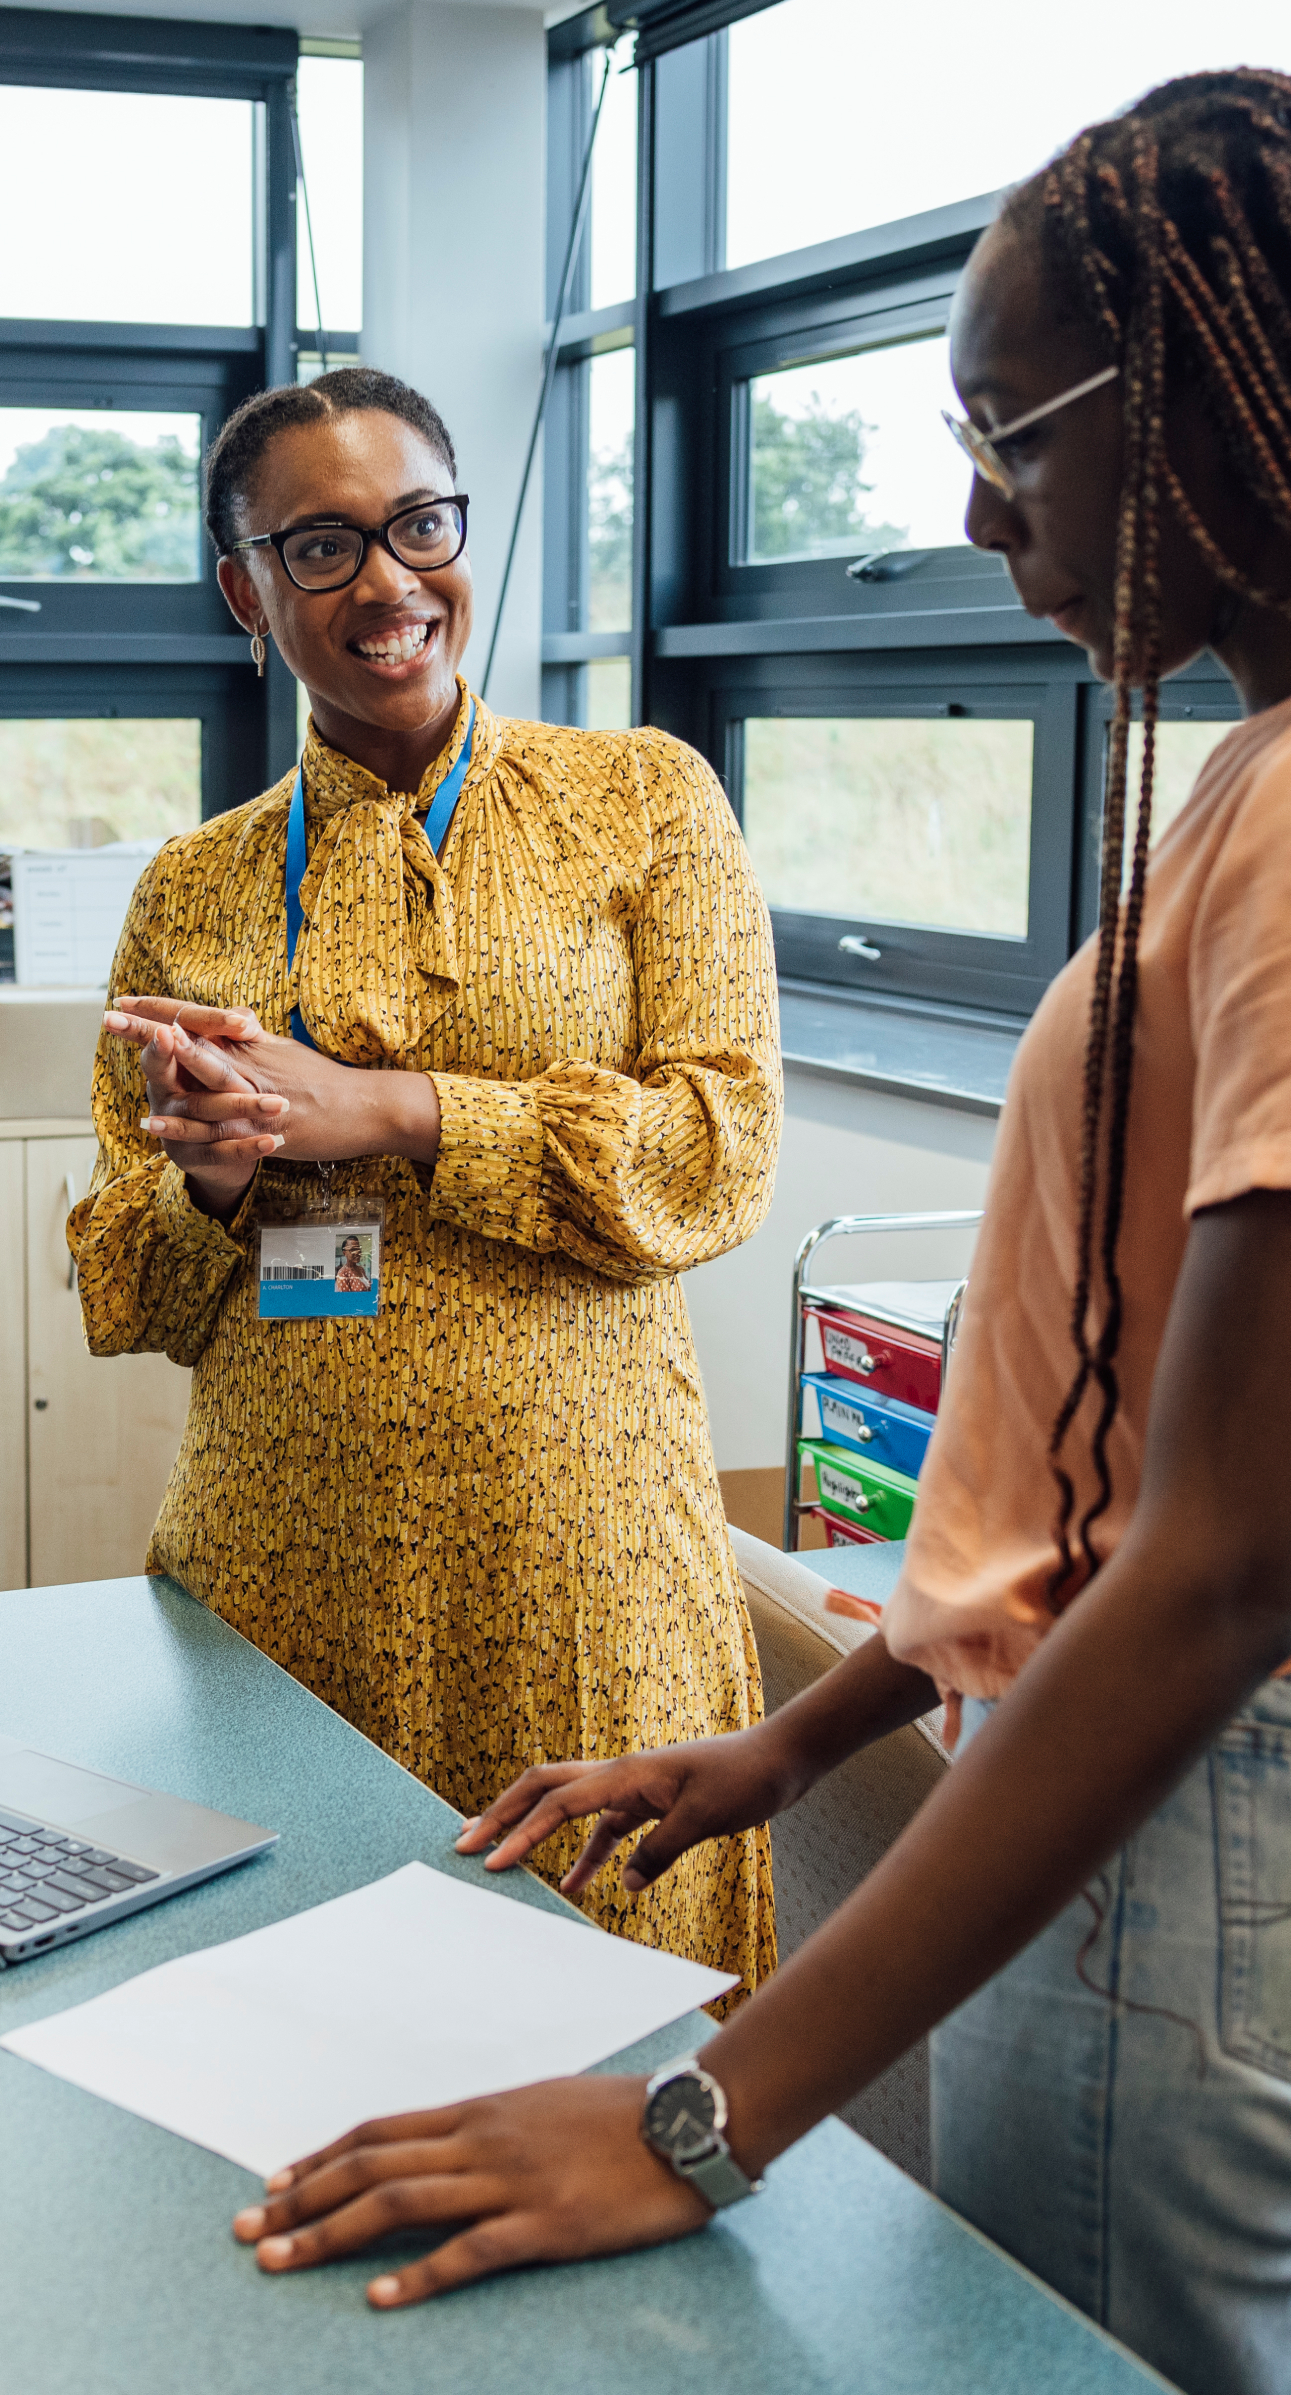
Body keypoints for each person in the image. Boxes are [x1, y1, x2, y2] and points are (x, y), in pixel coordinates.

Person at [227, 75, 1291, 2395]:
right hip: (1187, 1783)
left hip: (1218, 1803)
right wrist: (810, 1738)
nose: (974, 502)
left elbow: (1221, 1565)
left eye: (1013, 429)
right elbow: (1128, 1480)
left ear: (1209, 400)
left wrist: (707, 2112)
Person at [73, 368, 781, 2001]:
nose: (387, 583)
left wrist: (390, 1112)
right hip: (277, 1579)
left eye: (418, 526)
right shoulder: (196, 885)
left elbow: (717, 1149)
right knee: (290, 2024)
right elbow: (124, 1278)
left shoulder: (644, 801)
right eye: (318, 548)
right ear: (244, 591)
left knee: (615, 2021)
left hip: (585, 1568)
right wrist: (218, 1186)